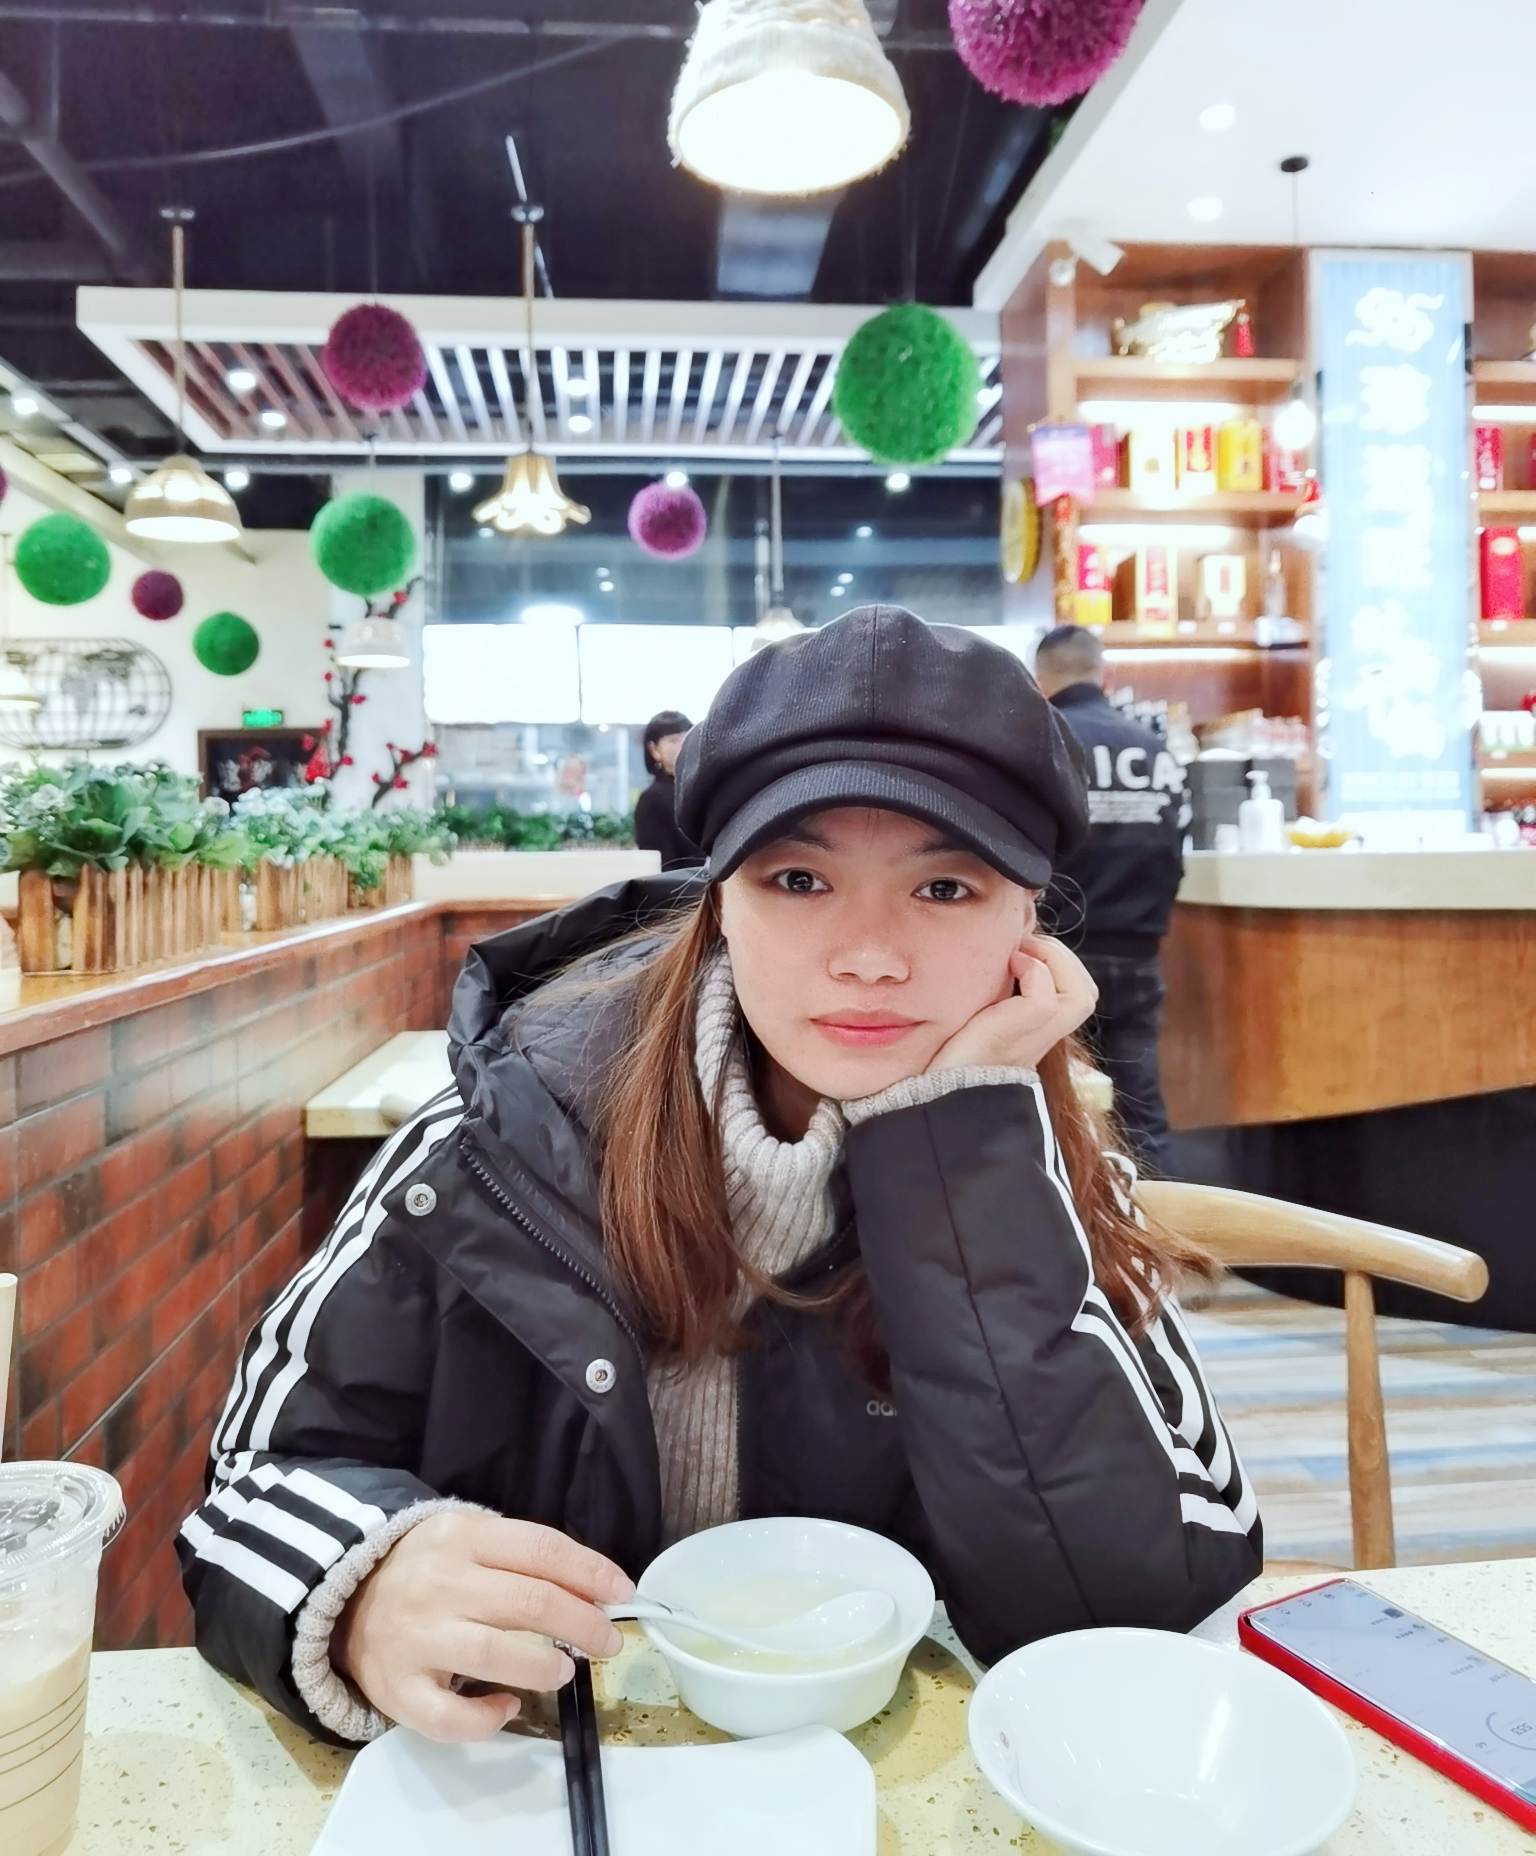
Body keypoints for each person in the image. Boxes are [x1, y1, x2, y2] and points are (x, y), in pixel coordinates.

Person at [178, 606, 1259, 1747]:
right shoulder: (496, 1141)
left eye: (946, 889)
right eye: (798, 878)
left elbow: (1146, 1594)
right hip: (533, 1763)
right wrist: (365, 1581)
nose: (870, 956)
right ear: (720, 900)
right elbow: (253, 1479)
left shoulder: (1039, 1171)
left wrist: (956, 1155)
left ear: (1028, 922)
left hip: (873, 1769)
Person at [1032, 625, 1187, 1170]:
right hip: (1138, 953)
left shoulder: (1045, 743)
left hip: (1057, 953)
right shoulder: (1155, 750)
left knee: (1059, 1102)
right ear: (1105, 674)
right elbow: (1176, 850)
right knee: (1141, 1107)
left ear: (1040, 680)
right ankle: (1156, 1214)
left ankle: (1076, 1214)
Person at [632, 708, 704, 868]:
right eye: (673, 740)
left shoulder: (700, 788)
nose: (682, 745)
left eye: (687, 737)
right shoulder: (651, 800)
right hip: (684, 882)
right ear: (654, 750)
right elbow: (662, 864)